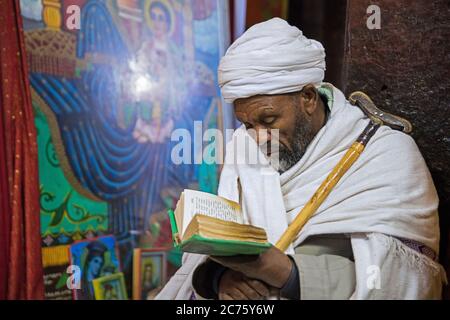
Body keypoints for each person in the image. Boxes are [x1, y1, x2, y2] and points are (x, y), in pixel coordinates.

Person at [156, 18, 447, 300]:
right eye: (247, 124)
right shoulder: (243, 147)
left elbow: (404, 277)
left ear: (308, 97)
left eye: (268, 119)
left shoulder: (383, 154)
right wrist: (220, 280)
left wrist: (287, 273)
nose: (257, 137)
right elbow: (220, 247)